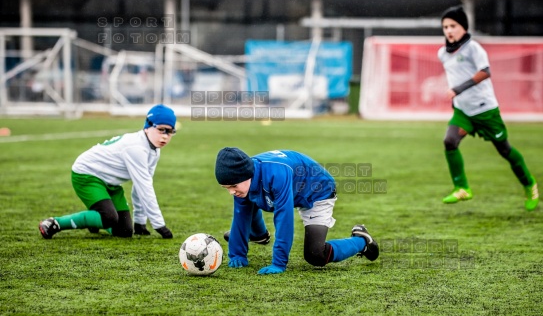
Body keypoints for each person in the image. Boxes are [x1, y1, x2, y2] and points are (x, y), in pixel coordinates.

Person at [215, 147, 379, 275]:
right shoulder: (243, 178)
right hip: (292, 189)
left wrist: (279, 263)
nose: (231, 191)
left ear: (247, 175)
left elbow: (284, 219)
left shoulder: (277, 173)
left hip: (317, 193)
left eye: (233, 186)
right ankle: (259, 236)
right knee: (247, 201)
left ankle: (362, 240)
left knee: (315, 255)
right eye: (226, 188)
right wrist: (237, 254)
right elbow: (241, 215)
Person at [438, 5, 539, 210]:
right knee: (449, 141)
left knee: (504, 150)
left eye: (453, 26)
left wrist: (458, 89)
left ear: (464, 27)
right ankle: (462, 188)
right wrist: (455, 100)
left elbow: (485, 72)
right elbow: (453, 76)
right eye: (445, 26)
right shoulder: (443, 53)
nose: (449, 30)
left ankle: (529, 184)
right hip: (463, 111)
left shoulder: (473, 48)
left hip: (485, 110)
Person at [39, 104, 176, 239]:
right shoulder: (136, 148)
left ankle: (95, 219)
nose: (165, 136)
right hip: (87, 175)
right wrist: (159, 225)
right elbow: (144, 187)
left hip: (110, 183)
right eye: (161, 130)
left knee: (125, 231)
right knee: (108, 217)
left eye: (170, 131)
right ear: (147, 127)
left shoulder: (154, 150)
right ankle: (55, 223)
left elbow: (141, 187)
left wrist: (140, 222)